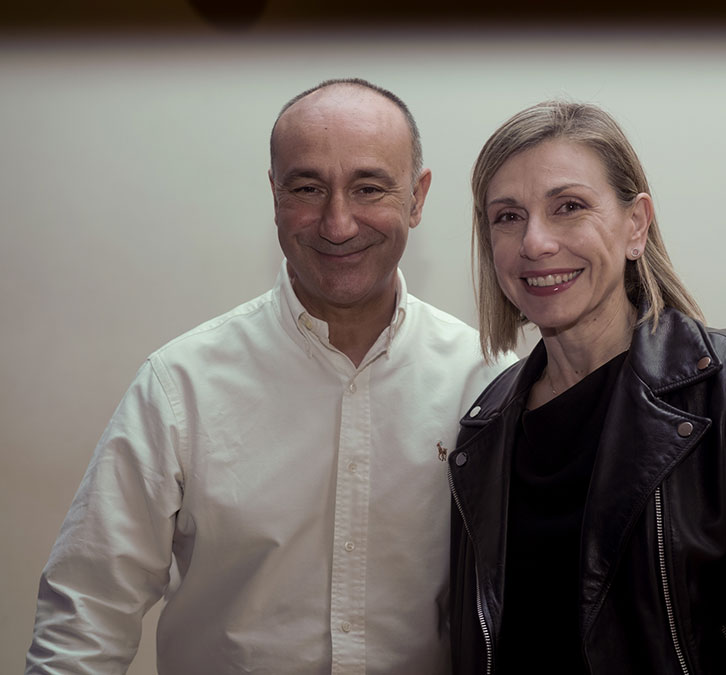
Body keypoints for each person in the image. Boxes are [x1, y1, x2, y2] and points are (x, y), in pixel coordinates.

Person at [26, 78, 514, 674]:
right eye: (308, 188)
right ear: (275, 195)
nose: (337, 223)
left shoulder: (487, 385)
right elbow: (85, 619)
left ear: (417, 197)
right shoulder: (180, 387)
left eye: (368, 188)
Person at [448, 101, 726, 674]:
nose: (535, 242)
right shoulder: (483, 427)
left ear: (636, 225)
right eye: (508, 216)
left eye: (569, 207)